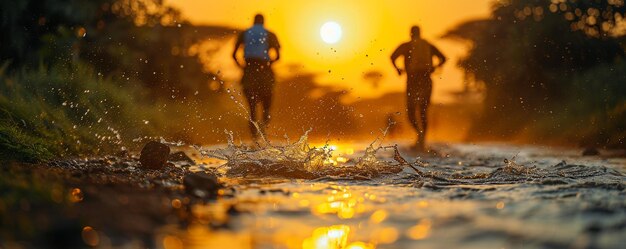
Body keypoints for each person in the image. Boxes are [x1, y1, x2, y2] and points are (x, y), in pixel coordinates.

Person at [391, 25, 446, 151]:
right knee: (423, 112)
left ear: (410, 34)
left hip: (412, 82)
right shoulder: (428, 46)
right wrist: (435, 68)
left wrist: (398, 69)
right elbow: (443, 58)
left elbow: (392, 57)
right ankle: (422, 140)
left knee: (411, 112)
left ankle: (419, 135)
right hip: (426, 80)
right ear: (420, 33)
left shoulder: (406, 46)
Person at [232, 14, 281, 139]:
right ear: (263, 22)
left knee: (252, 109)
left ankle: (254, 139)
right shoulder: (269, 34)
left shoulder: (245, 33)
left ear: (253, 22)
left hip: (249, 70)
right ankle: (263, 133)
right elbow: (278, 56)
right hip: (264, 70)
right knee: (267, 108)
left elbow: (233, 55)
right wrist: (269, 65)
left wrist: (242, 67)